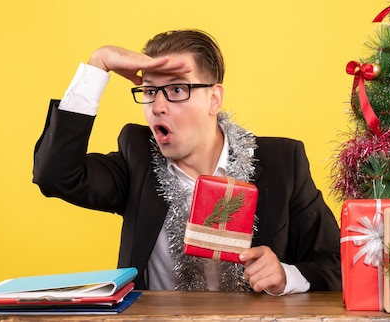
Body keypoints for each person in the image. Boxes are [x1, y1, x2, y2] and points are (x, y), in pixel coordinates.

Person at [33, 29, 341, 295]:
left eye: (177, 89)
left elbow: (336, 265)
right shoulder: (136, 159)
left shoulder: (282, 164)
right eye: (150, 91)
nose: (158, 106)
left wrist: (286, 276)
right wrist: (98, 65)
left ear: (214, 99)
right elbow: (55, 174)